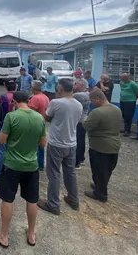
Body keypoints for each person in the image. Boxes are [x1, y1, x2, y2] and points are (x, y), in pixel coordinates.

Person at [0, 91, 47, 248]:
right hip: (32, 165)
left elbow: (1, 140)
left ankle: (4, 236)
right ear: (28, 100)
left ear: (14, 101)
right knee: (32, 200)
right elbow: (42, 143)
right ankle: (31, 234)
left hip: (12, 165)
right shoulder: (39, 118)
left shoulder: (11, 117)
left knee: (8, 199)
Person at [39, 78, 83, 215]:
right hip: (71, 143)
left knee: (54, 173)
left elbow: (46, 117)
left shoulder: (56, 102)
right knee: (70, 172)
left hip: (57, 143)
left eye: (58, 86)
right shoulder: (78, 104)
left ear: (61, 88)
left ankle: (53, 204)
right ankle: (73, 199)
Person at [82, 90, 122, 202]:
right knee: (107, 169)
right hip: (114, 144)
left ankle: (100, 194)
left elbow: (87, 126)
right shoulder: (116, 109)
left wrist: (85, 119)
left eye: (92, 101)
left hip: (100, 145)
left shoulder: (97, 112)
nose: (92, 103)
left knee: (99, 169)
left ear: (97, 99)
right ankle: (100, 186)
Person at [0, 80, 17, 183]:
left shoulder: (3, 97)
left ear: (6, 87)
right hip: (15, 127)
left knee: (1, 151)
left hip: (3, 126)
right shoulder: (20, 97)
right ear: (15, 87)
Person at [28, 81, 50, 171]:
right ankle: (40, 164)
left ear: (33, 88)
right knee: (41, 143)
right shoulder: (45, 97)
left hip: (34, 123)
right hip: (42, 122)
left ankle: (34, 163)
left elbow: (31, 111)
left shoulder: (35, 98)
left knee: (33, 144)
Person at [72, 79, 90, 169]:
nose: (74, 85)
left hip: (78, 121)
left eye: (76, 84)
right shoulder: (87, 94)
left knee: (78, 141)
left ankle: (76, 162)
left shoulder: (78, 95)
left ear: (82, 86)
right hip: (83, 120)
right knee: (81, 140)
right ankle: (81, 158)